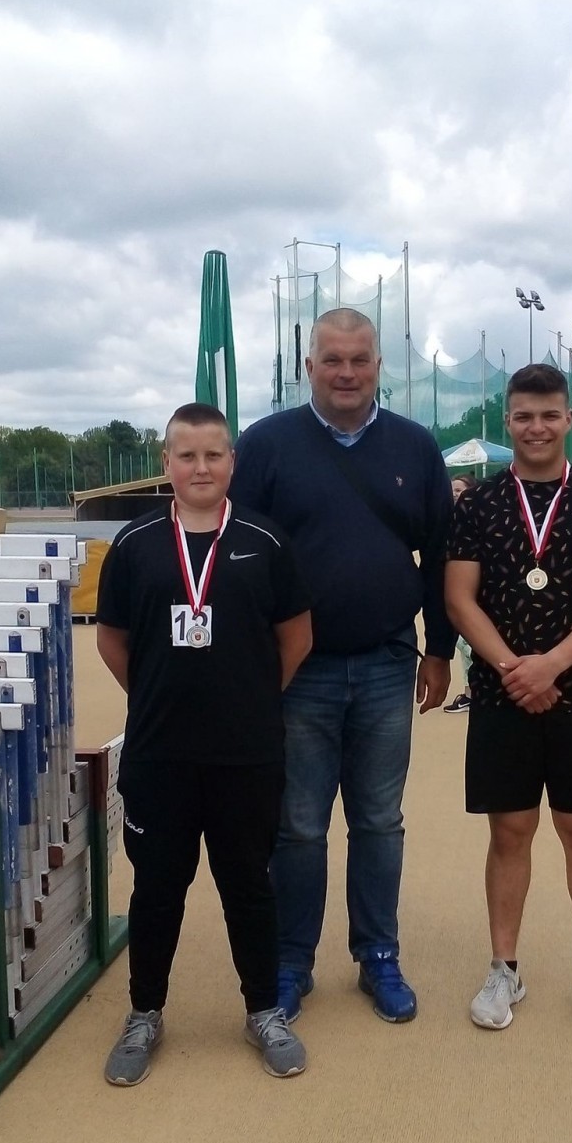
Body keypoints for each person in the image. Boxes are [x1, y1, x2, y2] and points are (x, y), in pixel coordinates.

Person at [231, 308, 455, 1025]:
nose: (347, 373)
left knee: (380, 821)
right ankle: (290, 961)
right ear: (310, 367)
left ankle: (378, 954)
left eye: (360, 359)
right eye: (333, 360)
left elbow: (441, 557)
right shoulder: (265, 445)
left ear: (379, 366)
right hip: (298, 673)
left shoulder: (416, 447)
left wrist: (440, 648)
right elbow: (237, 558)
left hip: (388, 663)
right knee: (297, 825)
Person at [95, 404, 313, 1085]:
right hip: (160, 754)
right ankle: (144, 1013)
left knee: (249, 885)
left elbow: (297, 637)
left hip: (247, 754)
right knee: (158, 889)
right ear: (166, 463)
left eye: (213, 455)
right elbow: (112, 639)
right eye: (186, 455)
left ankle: (263, 1011)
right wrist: (159, 696)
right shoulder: (134, 545)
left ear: (231, 463)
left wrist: (250, 699)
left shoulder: (265, 540)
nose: (200, 468)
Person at [445, 363, 572, 1038]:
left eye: (549, 415)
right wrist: (513, 669)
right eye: (524, 416)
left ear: (568, 420)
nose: (537, 427)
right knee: (509, 832)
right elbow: (459, 599)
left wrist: (552, 664)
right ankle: (504, 967)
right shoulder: (478, 505)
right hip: (502, 695)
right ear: (508, 421)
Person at [443, 474, 478, 713]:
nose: (455, 494)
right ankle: (469, 693)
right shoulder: (446, 519)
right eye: (452, 490)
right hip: (452, 590)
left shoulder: (478, 518)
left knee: (467, 643)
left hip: (473, 596)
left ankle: (472, 692)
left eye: (459, 490)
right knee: (462, 643)